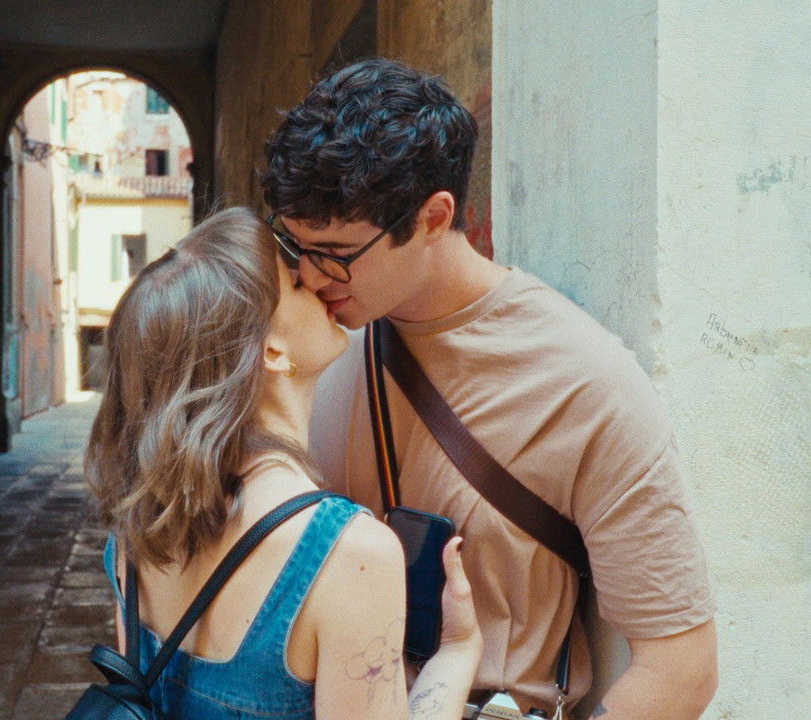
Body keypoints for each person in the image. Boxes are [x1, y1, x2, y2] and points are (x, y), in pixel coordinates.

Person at [261, 57, 718, 719]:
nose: (308, 274)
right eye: (292, 243)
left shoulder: (584, 381)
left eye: (333, 252)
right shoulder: (308, 341)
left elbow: (681, 668)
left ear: (433, 217)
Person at [86, 207, 482, 719]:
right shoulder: (349, 554)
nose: (319, 284)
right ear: (270, 350)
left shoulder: (137, 529)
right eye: (296, 284)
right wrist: (458, 650)